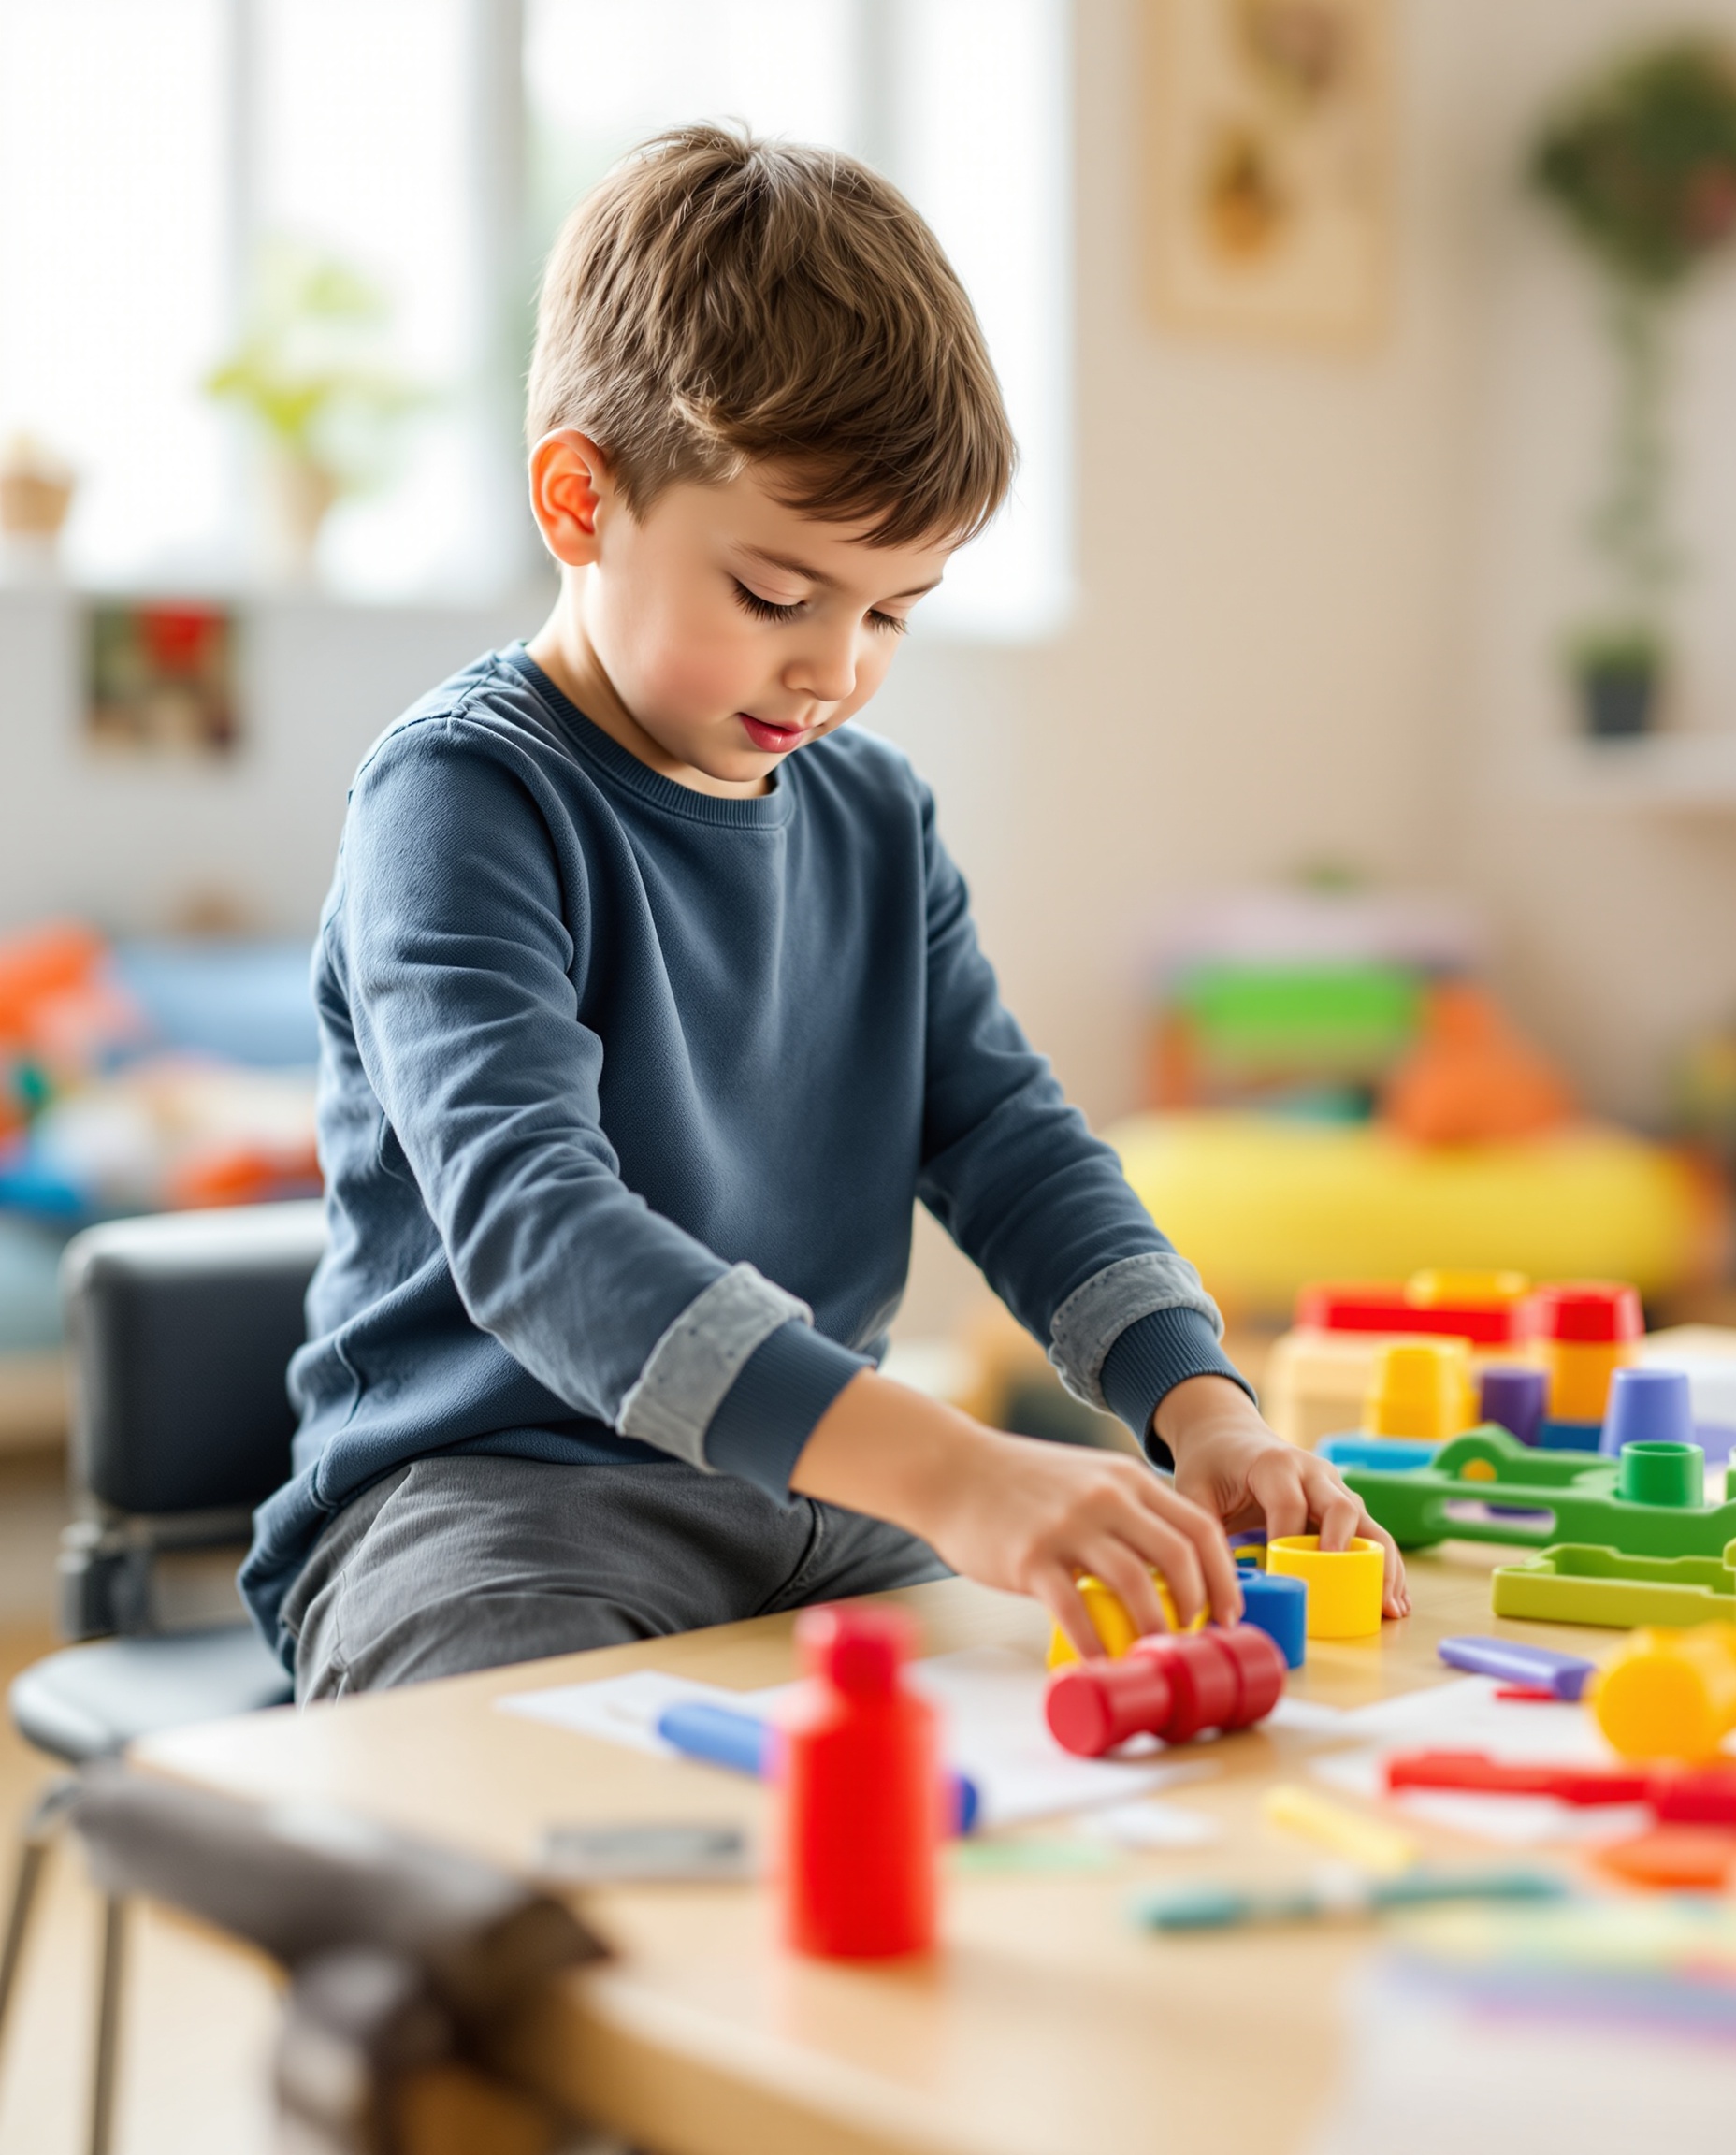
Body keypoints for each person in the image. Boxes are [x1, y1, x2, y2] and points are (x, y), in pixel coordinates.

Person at [241, 126, 1407, 1699]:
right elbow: (536, 1229)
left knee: (1077, 1729)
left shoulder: (873, 818)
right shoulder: (458, 800)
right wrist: (952, 1471)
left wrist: (1204, 1408)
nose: (836, 668)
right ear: (581, 500)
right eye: (779, 596)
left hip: (814, 1496)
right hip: (497, 1502)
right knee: (509, 1824)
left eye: (893, 613)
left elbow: (1013, 1144)